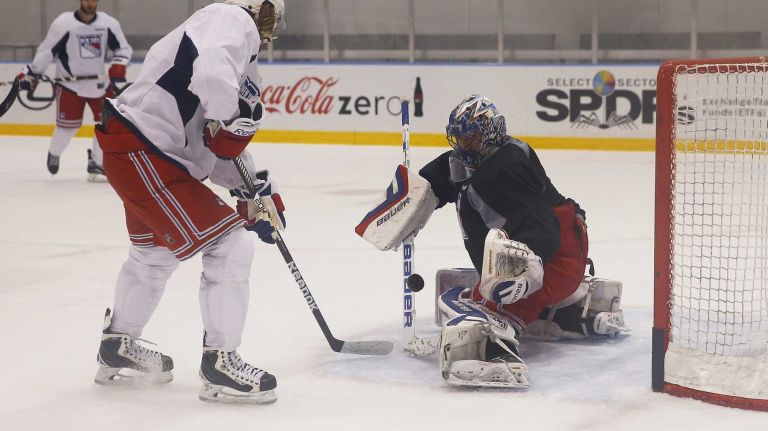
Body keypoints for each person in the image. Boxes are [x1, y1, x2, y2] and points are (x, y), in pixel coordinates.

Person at [356, 95, 627, 388]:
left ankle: (499, 339)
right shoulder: (474, 160)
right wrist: (407, 208)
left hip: (557, 255)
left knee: (479, 305)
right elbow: (437, 180)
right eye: (459, 138)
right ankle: (560, 307)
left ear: (491, 133)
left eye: (471, 138)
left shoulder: (506, 168)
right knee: (472, 293)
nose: (464, 146)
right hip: (552, 247)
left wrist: (526, 273)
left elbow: (542, 225)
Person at [92, 0, 286, 405]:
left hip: (142, 149)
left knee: (152, 255)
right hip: (146, 149)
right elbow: (217, 92)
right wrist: (229, 123)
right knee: (231, 245)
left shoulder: (241, 56)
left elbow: (216, 143)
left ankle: (117, 346)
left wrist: (253, 192)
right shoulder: (231, 18)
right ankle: (220, 363)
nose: (272, 22)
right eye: (269, 11)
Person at [17, 0, 132, 182]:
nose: (91, 3)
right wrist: (33, 74)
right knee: (67, 128)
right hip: (70, 85)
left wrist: (118, 66)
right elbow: (47, 51)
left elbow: (123, 48)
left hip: (99, 85)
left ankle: (97, 163)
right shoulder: (64, 23)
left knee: (106, 125)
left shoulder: (108, 23)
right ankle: (54, 152)